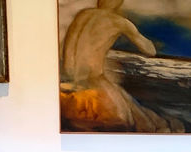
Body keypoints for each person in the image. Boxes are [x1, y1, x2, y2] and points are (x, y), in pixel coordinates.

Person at [59, 0, 181, 132]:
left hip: (70, 81)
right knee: (139, 122)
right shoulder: (118, 21)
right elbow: (150, 51)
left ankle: (163, 125)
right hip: (94, 81)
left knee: (131, 104)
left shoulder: (83, 15)